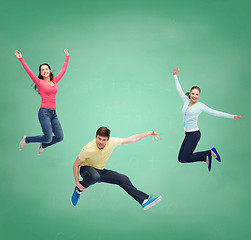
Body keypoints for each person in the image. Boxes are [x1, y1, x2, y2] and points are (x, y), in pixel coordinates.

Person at [71, 126, 162, 210]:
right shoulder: (87, 149)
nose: (101, 142)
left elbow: (132, 139)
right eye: (99, 138)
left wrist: (149, 133)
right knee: (95, 177)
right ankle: (78, 190)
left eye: (104, 140)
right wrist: (77, 183)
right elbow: (75, 165)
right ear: (96, 136)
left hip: (100, 170)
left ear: (108, 139)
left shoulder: (112, 142)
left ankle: (143, 201)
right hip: (86, 169)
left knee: (123, 179)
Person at [173, 67, 242, 171]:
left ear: (199, 95)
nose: (194, 96)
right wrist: (175, 76)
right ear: (190, 94)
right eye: (193, 93)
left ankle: (209, 152)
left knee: (186, 157)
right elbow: (179, 89)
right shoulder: (186, 101)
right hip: (187, 134)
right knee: (181, 159)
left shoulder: (200, 106)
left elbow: (215, 113)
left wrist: (232, 116)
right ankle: (205, 157)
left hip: (194, 134)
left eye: (196, 94)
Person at [15, 49, 69, 155]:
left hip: (53, 114)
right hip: (44, 113)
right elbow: (28, 71)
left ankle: (43, 145)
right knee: (48, 137)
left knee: (60, 137)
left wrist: (67, 57)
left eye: (46, 69)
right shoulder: (39, 82)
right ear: (40, 73)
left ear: (49, 70)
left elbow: (63, 70)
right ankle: (27, 139)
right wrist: (21, 58)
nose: (45, 71)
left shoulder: (54, 81)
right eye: (42, 70)